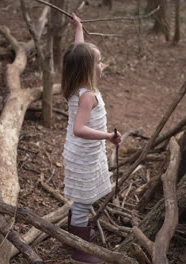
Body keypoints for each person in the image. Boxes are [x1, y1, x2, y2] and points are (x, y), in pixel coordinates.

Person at [61, 13, 121, 264]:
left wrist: (79, 28)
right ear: (88, 69)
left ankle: (75, 232)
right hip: (83, 153)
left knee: (82, 198)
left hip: (84, 153)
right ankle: (79, 249)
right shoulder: (87, 96)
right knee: (84, 201)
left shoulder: (80, 85)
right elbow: (78, 128)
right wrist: (108, 136)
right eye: (99, 62)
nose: (102, 65)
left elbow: (78, 52)